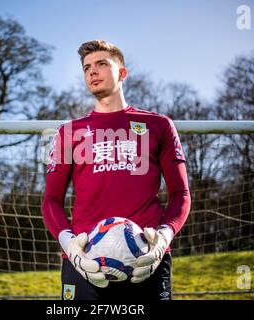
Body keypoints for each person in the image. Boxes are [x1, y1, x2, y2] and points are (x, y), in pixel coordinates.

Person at [41, 40, 191, 300]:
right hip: (84, 261)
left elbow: (181, 194)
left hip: (147, 260)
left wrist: (164, 239)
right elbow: (51, 200)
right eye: (86, 67)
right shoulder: (68, 132)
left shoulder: (159, 126)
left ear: (122, 73)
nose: (92, 71)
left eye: (101, 64)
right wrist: (69, 244)